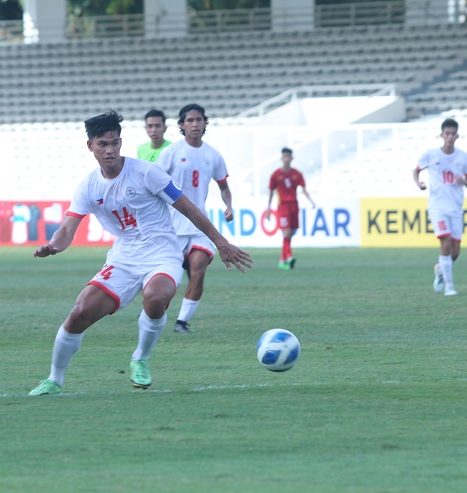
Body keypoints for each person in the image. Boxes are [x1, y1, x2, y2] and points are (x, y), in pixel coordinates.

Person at [28, 110, 252, 396]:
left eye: (114, 143)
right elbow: (67, 228)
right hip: (124, 257)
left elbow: (186, 207)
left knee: (156, 298)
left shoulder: (146, 172)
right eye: (102, 144)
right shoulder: (88, 185)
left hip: (162, 253)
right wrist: (55, 245)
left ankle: (140, 358)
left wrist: (220, 241)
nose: (109, 150)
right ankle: (54, 380)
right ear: (90, 147)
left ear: (120, 142)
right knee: (79, 312)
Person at [155, 103, 234, 334]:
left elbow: (224, 186)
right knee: (169, 279)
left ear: (205, 122)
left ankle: (181, 322)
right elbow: (154, 184)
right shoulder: (170, 153)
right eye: (190, 120)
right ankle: (154, 311)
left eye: (199, 119)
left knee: (198, 270)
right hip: (171, 226)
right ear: (181, 125)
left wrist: (228, 205)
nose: (195, 124)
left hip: (199, 226)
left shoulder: (213, 155)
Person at [412, 118, 467, 297]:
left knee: (455, 252)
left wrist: (464, 181)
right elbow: (416, 170)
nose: (450, 136)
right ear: (442, 135)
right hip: (438, 206)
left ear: (457, 135)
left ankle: (440, 270)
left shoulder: (463, 157)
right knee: (445, 242)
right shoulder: (431, 155)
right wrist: (419, 183)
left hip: (456, 208)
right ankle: (449, 287)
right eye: (447, 133)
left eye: (453, 133)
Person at [265, 147, 315, 270]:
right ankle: (289, 256)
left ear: (292, 158)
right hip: (283, 206)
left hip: (294, 205)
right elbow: (271, 192)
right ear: (282, 158)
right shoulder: (275, 175)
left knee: (291, 233)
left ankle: (282, 261)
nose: (286, 159)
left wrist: (311, 201)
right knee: (286, 232)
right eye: (285, 156)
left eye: (288, 156)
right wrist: (268, 209)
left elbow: (304, 189)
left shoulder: (297, 174)